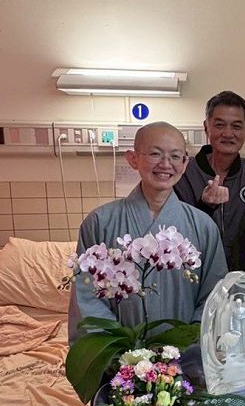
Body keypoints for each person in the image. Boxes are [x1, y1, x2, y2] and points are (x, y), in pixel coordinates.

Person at [69, 122, 228, 344]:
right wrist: (118, 352)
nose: (165, 164)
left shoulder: (203, 226)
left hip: (186, 353)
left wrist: (188, 346)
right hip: (119, 355)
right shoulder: (99, 222)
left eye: (175, 156)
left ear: (185, 164)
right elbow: (86, 298)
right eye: (155, 154)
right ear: (133, 159)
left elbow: (214, 296)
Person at [175, 91, 245, 274]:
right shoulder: (181, 174)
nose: (228, 133)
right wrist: (205, 207)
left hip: (242, 279)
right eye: (220, 125)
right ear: (206, 127)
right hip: (191, 278)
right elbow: (175, 236)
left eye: (237, 126)